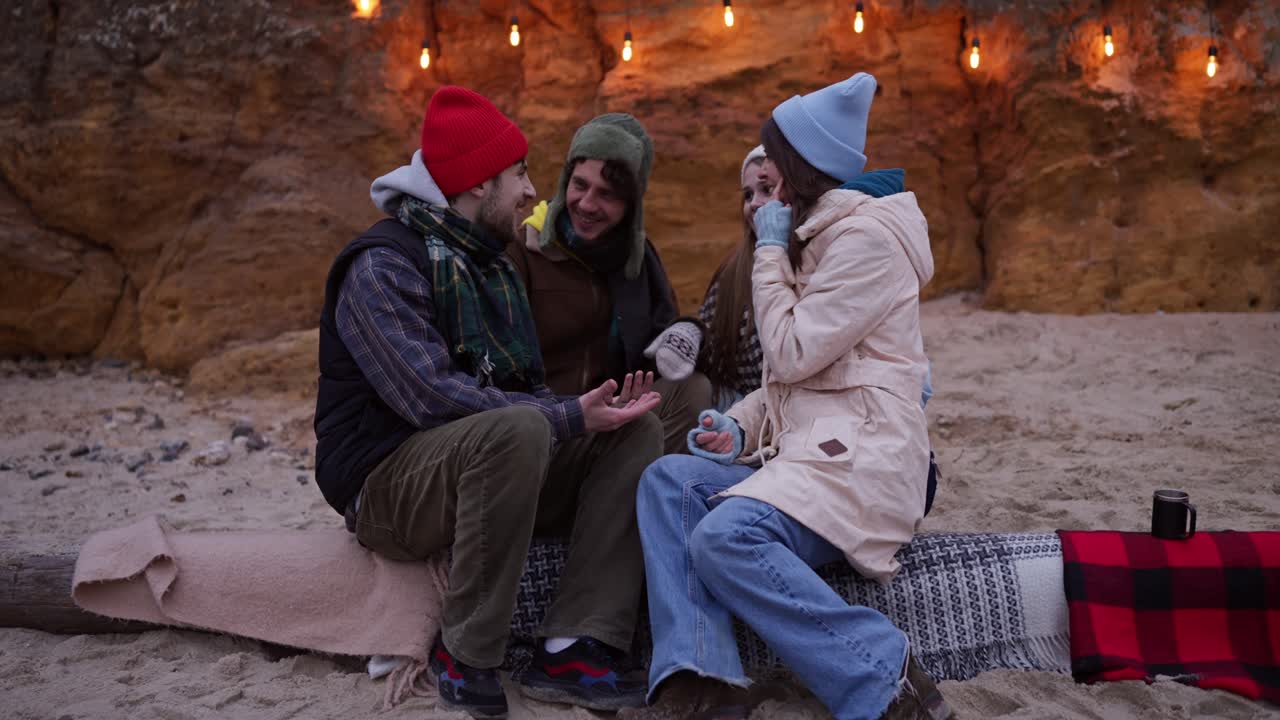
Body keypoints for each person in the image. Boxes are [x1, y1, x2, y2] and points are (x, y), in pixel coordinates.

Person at [315, 85, 659, 718]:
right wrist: (563, 414)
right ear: (477, 185)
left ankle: (575, 645)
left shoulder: (485, 264)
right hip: (387, 485)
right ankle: (465, 653)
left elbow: (517, 395)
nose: (533, 191)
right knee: (520, 428)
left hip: (481, 462)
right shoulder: (382, 266)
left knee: (633, 432)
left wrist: (589, 415)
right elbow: (431, 398)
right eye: (519, 174)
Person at [636, 73, 956, 720]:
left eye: (774, 170)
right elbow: (793, 380)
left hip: (866, 461)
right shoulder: (819, 239)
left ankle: (882, 672)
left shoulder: (866, 242)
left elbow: (789, 351)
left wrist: (771, 249)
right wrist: (741, 428)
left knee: (724, 538)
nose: (765, 190)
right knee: (668, 481)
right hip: (816, 452)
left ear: (802, 171)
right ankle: (702, 675)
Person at [699, 146, 941, 513]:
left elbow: (809, 368)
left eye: (766, 189)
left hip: (835, 446)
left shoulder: (839, 258)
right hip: (761, 428)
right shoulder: (732, 274)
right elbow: (712, 361)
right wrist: (734, 425)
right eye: (747, 195)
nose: (756, 203)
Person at [507, 113, 712, 456]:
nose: (587, 205)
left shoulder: (639, 261)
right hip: (547, 427)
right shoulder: (524, 253)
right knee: (637, 433)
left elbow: (662, 348)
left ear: (631, 206)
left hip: (618, 419)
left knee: (692, 388)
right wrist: (575, 411)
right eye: (580, 185)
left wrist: (688, 332)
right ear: (564, 182)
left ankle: (653, 493)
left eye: (608, 194)